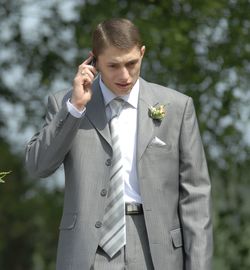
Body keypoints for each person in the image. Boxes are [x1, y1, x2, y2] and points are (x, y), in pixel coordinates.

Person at [25, 18, 213, 270]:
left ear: (142, 53)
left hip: (157, 249)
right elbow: (38, 167)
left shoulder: (178, 107)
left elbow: (196, 197)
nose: (124, 75)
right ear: (93, 61)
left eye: (132, 63)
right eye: (113, 65)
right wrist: (75, 108)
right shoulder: (66, 105)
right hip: (87, 251)